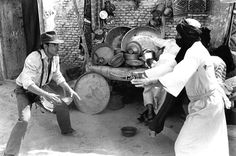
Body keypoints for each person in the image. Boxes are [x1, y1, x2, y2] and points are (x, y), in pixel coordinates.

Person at [131, 18, 230, 156]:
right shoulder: (188, 49)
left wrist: (153, 82)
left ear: (187, 35)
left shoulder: (195, 52)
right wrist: (146, 75)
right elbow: (171, 66)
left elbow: (179, 76)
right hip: (204, 104)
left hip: (207, 106)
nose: (176, 38)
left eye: (179, 35)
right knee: (206, 147)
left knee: (185, 147)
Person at [4, 31, 81, 156]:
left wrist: (69, 89)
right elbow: (27, 84)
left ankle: (67, 131)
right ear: (45, 46)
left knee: (61, 105)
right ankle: (9, 153)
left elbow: (57, 75)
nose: (58, 48)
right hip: (24, 91)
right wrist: (46, 95)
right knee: (24, 119)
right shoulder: (33, 58)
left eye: (58, 45)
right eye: (54, 45)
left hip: (41, 87)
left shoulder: (55, 58)